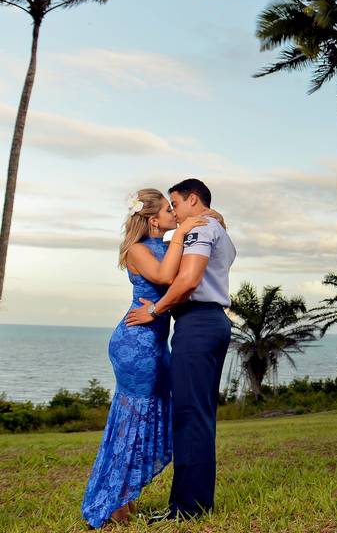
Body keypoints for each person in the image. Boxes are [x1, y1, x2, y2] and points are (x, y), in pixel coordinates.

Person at [81, 189, 207, 528]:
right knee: (131, 420)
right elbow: (166, 278)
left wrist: (206, 220)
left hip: (155, 341)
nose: (174, 214)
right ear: (153, 220)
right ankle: (112, 503)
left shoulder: (167, 246)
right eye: (169, 210)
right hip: (135, 341)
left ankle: (125, 495)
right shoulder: (138, 250)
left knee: (146, 416)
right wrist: (182, 232)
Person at [125, 178, 236, 521]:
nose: (173, 212)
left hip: (198, 324)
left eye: (175, 204)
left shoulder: (200, 230)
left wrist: (154, 311)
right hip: (208, 323)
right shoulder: (213, 225)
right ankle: (191, 503)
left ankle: (188, 509)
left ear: (192, 200)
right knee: (197, 416)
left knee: (191, 417)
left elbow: (187, 281)